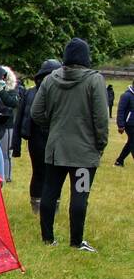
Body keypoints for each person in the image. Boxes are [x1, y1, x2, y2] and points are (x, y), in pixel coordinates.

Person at [31, 39, 107, 251]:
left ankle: (48, 238)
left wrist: (53, 127)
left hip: (56, 150)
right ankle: (76, 241)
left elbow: (36, 112)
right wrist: (100, 143)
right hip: (83, 153)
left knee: (49, 193)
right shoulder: (94, 81)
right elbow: (101, 117)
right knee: (80, 195)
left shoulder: (49, 80)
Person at [22, 60, 59, 214]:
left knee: (55, 173)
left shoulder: (59, 92)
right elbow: (25, 117)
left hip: (53, 136)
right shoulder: (31, 92)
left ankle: (52, 204)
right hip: (37, 137)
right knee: (39, 172)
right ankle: (37, 205)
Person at [115, 79, 133, 166]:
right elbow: (120, 111)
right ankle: (119, 161)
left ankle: (119, 161)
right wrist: (120, 125)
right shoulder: (126, 96)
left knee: (130, 143)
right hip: (129, 125)